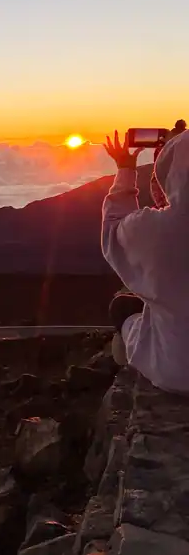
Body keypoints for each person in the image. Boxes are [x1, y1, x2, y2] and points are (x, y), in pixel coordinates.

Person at [102, 125, 189, 391]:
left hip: (179, 371)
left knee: (123, 306)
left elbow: (114, 229)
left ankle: (127, 354)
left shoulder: (159, 230)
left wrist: (126, 169)